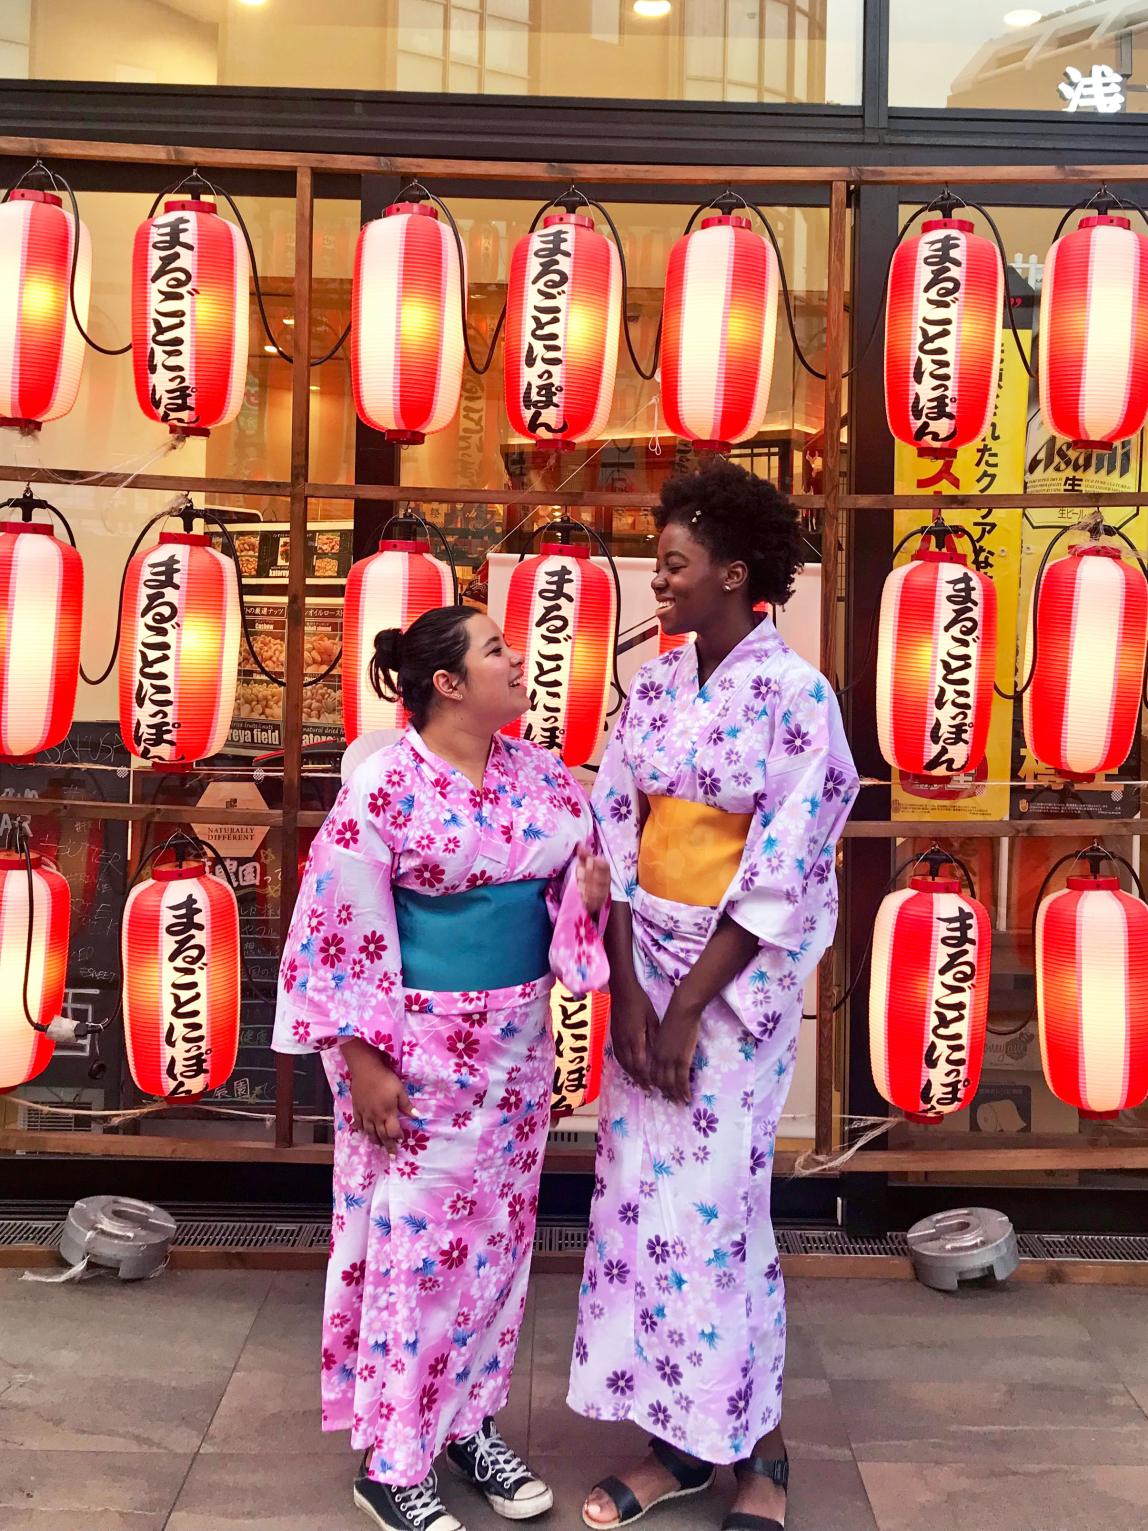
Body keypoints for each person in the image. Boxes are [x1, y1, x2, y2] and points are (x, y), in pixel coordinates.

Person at [274, 604, 610, 1531]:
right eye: (496, 649)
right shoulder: (384, 785)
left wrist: (583, 901)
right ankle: (392, 1461)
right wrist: (361, 1056)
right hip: (414, 1053)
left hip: (515, 1053)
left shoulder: (541, 775)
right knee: (414, 1258)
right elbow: (336, 923)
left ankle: (466, 1422)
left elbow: (569, 914)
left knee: (498, 1251)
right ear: (449, 684)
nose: (518, 658)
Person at [568, 462, 858, 1531]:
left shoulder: (797, 696)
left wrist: (687, 1004)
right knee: (637, 1210)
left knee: (719, 1217)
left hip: (728, 991)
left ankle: (760, 1449)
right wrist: (628, 995)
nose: (658, 579)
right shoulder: (654, 685)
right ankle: (677, 1445)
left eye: (673, 563)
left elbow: (785, 866)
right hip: (643, 964)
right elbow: (611, 831)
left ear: (734, 573)